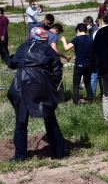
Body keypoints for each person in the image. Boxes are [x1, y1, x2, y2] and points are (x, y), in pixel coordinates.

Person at [6, 26, 67, 161]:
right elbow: (57, 69)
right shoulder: (48, 49)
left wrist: (10, 58)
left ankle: (20, 156)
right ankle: (59, 152)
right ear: (44, 38)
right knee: (50, 118)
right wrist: (53, 84)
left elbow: (12, 63)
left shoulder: (23, 47)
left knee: (21, 121)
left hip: (20, 85)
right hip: (41, 85)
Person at [71, 23, 95, 104]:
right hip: (88, 64)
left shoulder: (77, 39)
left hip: (79, 64)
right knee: (88, 83)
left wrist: (63, 41)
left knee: (76, 84)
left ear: (78, 30)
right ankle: (90, 101)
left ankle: (75, 102)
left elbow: (66, 47)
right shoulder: (91, 39)